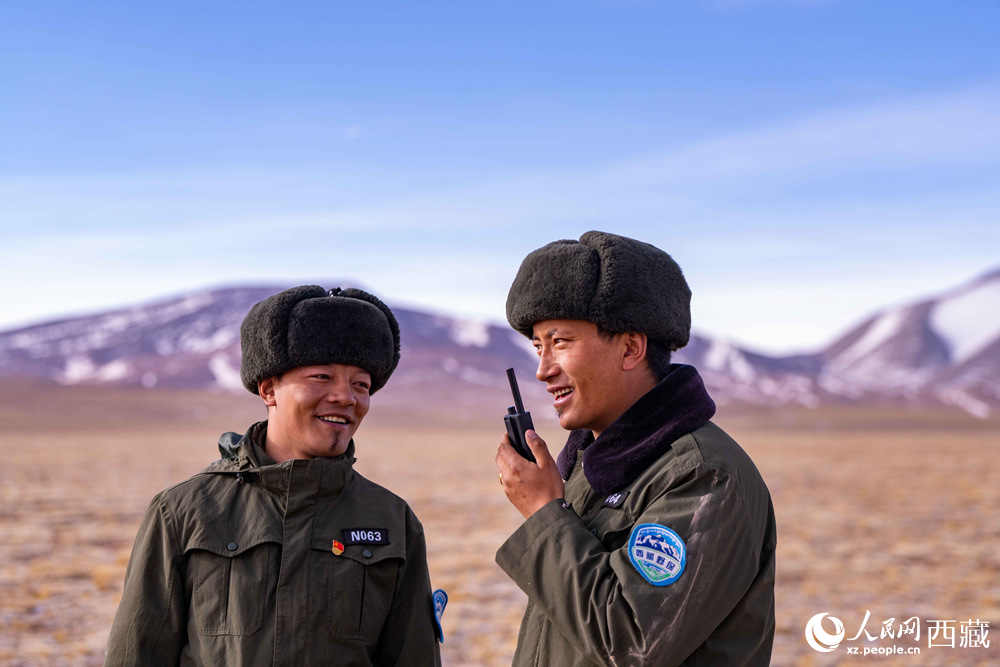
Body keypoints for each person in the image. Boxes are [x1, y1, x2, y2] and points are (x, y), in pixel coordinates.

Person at [106, 285, 442, 666]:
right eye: (321, 377)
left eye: (360, 384)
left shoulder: (393, 522)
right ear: (269, 390)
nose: (345, 397)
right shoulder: (182, 512)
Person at [495, 232, 776, 666]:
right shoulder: (591, 466)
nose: (542, 370)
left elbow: (628, 642)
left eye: (560, 342)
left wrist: (544, 512)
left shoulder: (703, 475)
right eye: (537, 347)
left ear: (630, 348)